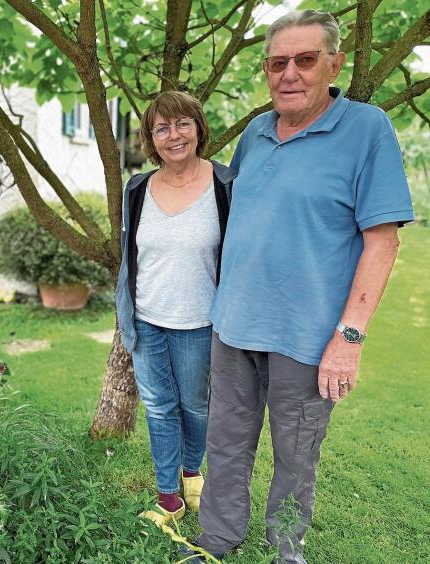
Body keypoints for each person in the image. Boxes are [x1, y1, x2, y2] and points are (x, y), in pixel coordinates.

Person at [191, 10, 415, 563]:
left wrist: (350, 338)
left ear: (334, 64)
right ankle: (216, 542)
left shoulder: (366, 129)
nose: (288, 73)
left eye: (305, 59)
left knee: (296, 455)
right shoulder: (256, 133)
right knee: (225, 444)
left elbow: (381, 241)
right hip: (235, 324)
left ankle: (286, 550)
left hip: (308, 336)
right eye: (276, 62)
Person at [114, 90, 236, 525]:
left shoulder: (225, 184)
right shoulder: (137, 188)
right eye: (161, 128)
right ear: (152, 138)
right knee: (160, 407)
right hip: (146, 320)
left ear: (199, 128)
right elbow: (131, 255)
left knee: (196, 406)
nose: (173, 134)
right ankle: (170, 497)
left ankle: (192, 474)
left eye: (182, 123)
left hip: (201, 323)